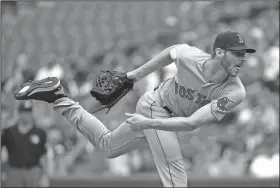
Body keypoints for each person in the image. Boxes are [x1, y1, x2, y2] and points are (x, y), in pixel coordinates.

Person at [14, 31, 256, 187]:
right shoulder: (190, 56)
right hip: (154, 106)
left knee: (107, 146)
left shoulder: (235, 91)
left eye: (244, 54)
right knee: (176, 177)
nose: (242, 59)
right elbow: (172, 51)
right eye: (237, 53)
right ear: (219, 52)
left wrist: (147, 124)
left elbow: (192, 123)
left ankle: (57, 96)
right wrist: (133, 76)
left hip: (164, 121)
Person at [1, 101, 48, 187]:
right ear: (19, 113)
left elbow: (43, 155)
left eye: (28, 112)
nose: (26, 115)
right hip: (14, 170)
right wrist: (2, 170)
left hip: (33, 170)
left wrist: (44, 175)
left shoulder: (39, 132)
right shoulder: (9, 132)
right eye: (23, 112)